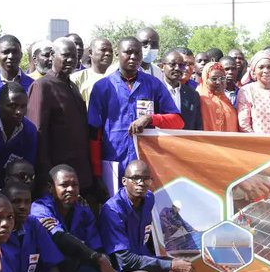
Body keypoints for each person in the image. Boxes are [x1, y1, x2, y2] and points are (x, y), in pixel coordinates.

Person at [31, 165, 142, 272]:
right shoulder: (40, 208)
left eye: (75, 185)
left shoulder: (82, 207)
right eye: (64, 185)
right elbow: (59, 237)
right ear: (51, 187)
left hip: (79, 264)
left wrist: (105, 262)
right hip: (52, 270)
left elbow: (95, 243)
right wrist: (97, 257)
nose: (70, 189)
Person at [98, 160, 194, 272]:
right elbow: (125, 260)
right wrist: (169, 265)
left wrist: (172, 264)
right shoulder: (112, 210)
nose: (141, 183)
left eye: (145, 179)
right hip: (118, 269)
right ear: (124, 181)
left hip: (141, 258)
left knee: (185, 269)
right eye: (135, 178)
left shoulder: (148, 198)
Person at [88, 37, 183, 193]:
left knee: (146, 211)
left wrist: (150, 118)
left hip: (146, 164)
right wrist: (97, 174)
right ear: (118, 54)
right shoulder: (102, 87)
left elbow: (177, 121)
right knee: (114, 210)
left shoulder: (154, 84)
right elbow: (94, 134)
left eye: (137, 53)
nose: (133, 57)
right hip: (113, 164)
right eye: (128, 52)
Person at [26, 38, 92, 196]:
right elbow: (38, 133)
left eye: (74, 56)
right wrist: (46, 176)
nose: (70, 60)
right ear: (52, 55)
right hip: (56, 177)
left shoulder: (73, 87)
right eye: (65, 55)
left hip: (78, 172)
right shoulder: (42, 86)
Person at [1, 182, 78, 272]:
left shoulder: (33, 223)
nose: (23, 206)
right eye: (16, 201)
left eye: (27, 202)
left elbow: (51, 263)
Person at [237, 51, 270, 134]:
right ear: (253, 71)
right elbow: (244, 124)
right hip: (256, 143)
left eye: (269, 67)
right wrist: (257, 143)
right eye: (261, 67)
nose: (266, 70)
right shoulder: (246, 91)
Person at [160, 49, 202, 130]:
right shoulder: (155, 90)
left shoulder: (193, 95)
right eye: (172, 64)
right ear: (162, 67)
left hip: (185, 141)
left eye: (181, 65)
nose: (177, 68)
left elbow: (197, 125)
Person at [196, 62, 240, 132]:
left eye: (222, 78)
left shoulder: (226, 101)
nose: (218, 82)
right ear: (205, 79)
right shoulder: (199, 98)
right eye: (214, 79)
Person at [71, 37, 115, 104]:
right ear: (91, 53)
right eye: (103, 50)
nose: (108, 53)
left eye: (110, 51)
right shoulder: (77, 78)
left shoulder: (118, 78)